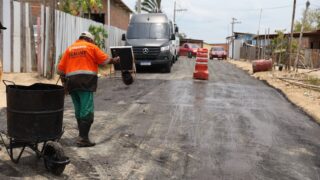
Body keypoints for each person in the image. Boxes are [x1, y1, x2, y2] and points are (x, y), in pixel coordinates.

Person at [57, 32, 120, 147]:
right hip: (85, 82)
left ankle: (81, 135)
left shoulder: (70, 49)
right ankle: (83, 138)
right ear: (89, 40)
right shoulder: (91, 47)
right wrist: (114, 60)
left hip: (71, 83)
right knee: (87, 109)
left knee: (78, 108)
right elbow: (104, 60)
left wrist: (64, 84)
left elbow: (60, 69)